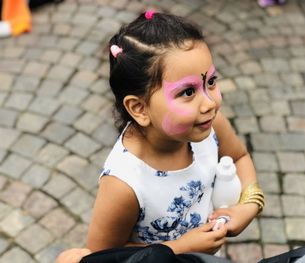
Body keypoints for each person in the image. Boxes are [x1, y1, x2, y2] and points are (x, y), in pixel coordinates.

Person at [56, 10, 264, 263]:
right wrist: (180, 248)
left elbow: (239, 156)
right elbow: (104, 256)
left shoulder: (210, 125)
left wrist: (249, 206)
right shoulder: (124, 184)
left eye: (211, 82)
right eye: (188, 92)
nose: (209, 103)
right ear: (140, 108)